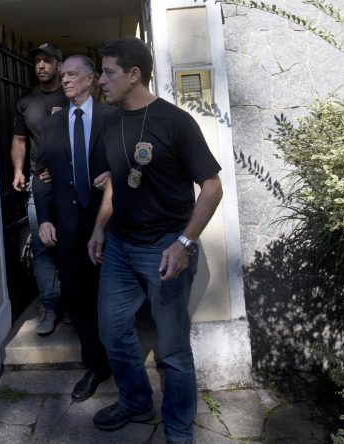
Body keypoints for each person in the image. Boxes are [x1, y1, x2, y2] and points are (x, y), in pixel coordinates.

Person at [88, 37, 223, 443]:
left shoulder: (176, 122)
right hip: (120, 247)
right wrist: (99, 227)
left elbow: (212, 187)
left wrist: (184, 243)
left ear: (134, 74)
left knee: (172, 350)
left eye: (108, 73)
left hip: (165, 246)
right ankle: (135, 401)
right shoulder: (110, 121)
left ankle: (179, 429)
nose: (101, 81)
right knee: (112, 330)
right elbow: (118, 179)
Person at [33, 54, 113, 401]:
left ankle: (120, 361)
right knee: (78, 301)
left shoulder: (113, 117)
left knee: (111, 300)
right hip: (67, 228)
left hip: (109, 225)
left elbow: (132, 164)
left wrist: (116, 177)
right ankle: (95, 365)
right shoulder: (52, 125)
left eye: (71, 74)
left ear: (90, 79)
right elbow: (41, 174)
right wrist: (45, 217)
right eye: (62, 75)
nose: (64, 80)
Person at [11, 42, 66, 335]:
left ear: (59, 64)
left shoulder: (71, 97)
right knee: (43, 247)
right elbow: (20, 140)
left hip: (70, 186)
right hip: (37, 185)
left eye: (47, 60)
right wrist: (19, 170)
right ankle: (50, 305)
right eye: (37, 62)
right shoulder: (25, 102)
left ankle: (71, 301)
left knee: (71, 243)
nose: (41, 65)